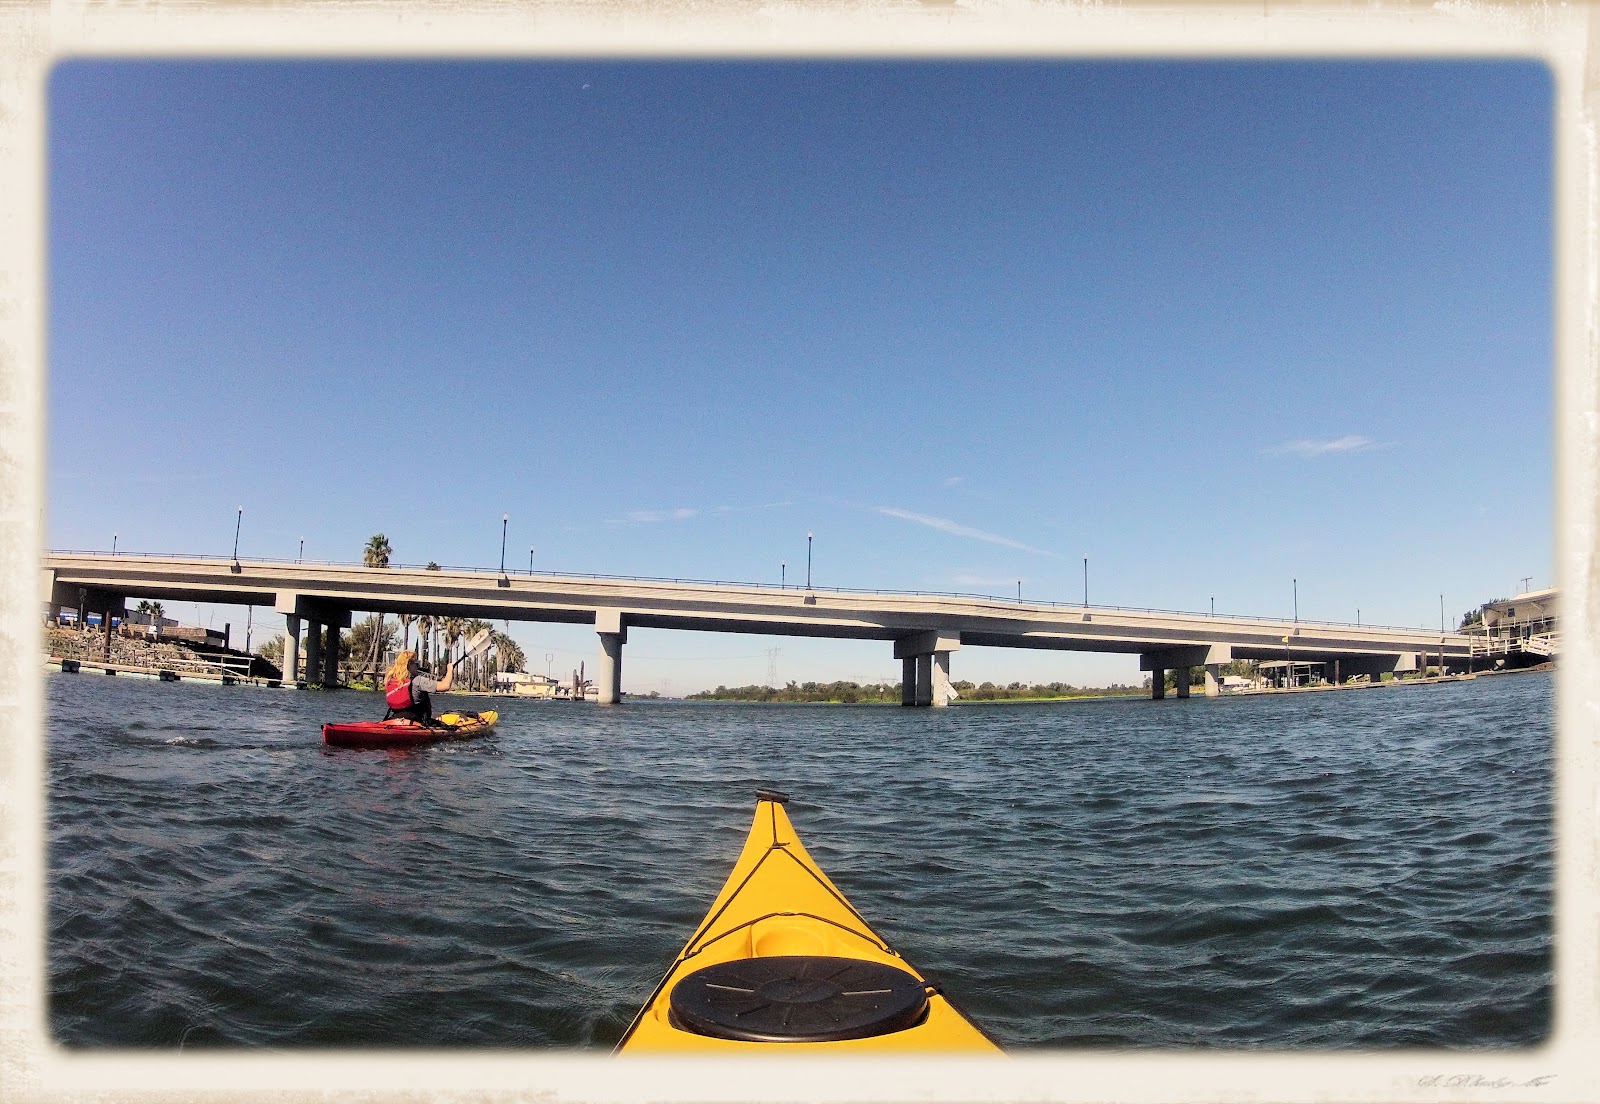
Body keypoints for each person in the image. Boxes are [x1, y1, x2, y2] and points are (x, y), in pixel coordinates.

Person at [383, 649, 453, 723]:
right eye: (416, 664)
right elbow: (445, 686)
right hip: (416, 721)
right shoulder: (418, 681)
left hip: (395, 719)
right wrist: (450, 670)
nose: (417, 667)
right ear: (409, 665)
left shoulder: (390, 681)